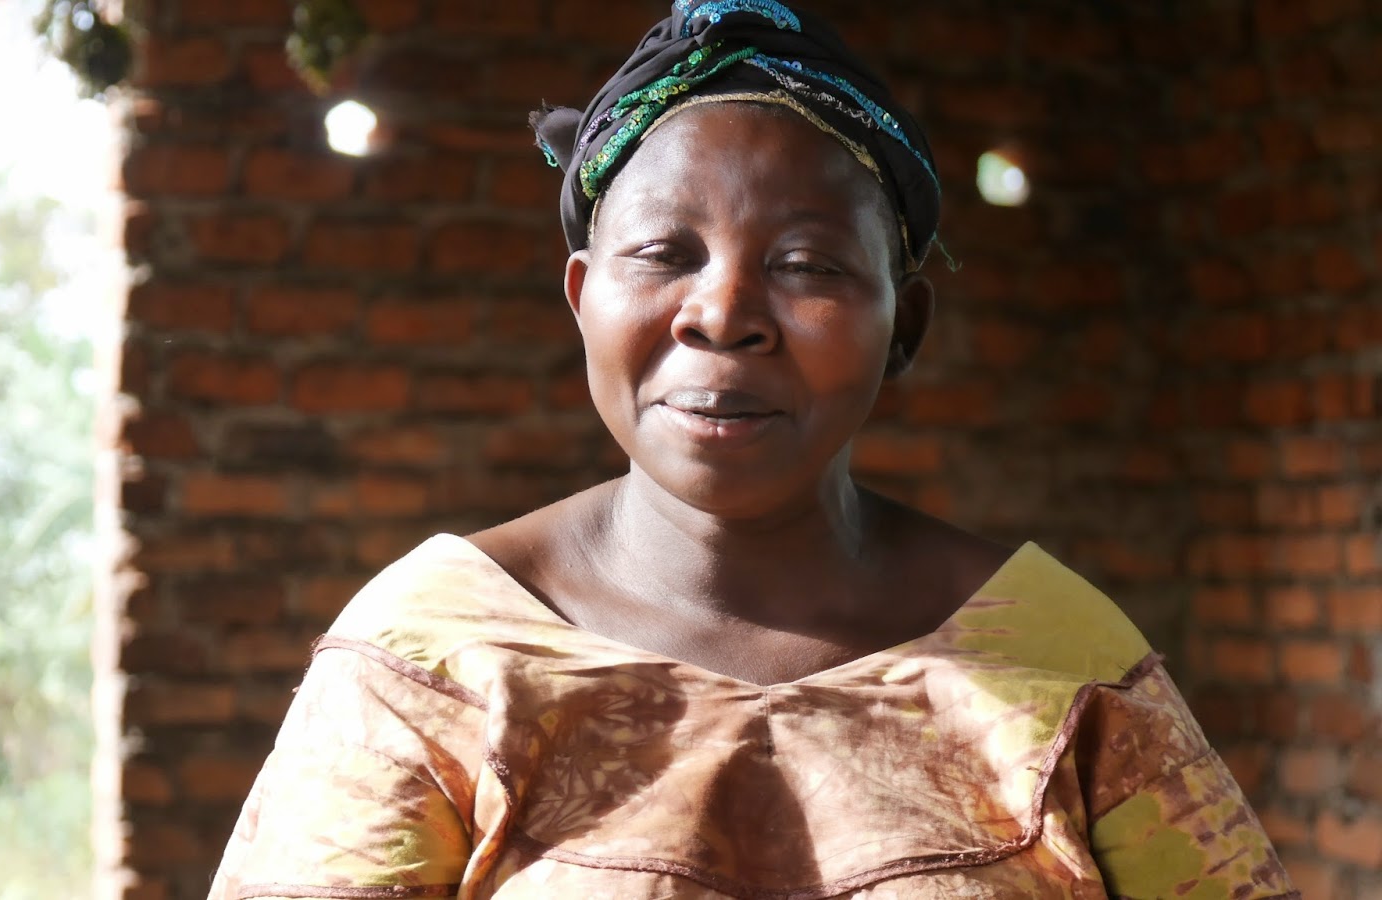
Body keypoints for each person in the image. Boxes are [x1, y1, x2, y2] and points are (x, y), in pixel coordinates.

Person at [208, 2, 1298, 897]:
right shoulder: (435, 657)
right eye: (663, 253)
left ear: (905, 326)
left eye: (808, 265)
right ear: (583, 299)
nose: (724, 315)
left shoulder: (1056, 660)